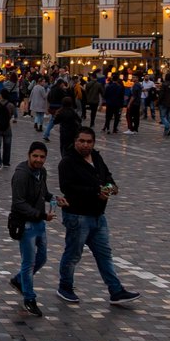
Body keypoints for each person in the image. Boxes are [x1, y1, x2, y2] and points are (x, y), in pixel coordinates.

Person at [56, 127, 141, 305]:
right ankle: (65, 287)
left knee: (104, 254)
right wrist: (97, 191)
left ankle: (116, 291)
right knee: (73, 254)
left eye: (89, 141)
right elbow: (68, 188)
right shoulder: (68, 162)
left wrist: (111, 188)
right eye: (82, 141)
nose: (85, 145)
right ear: (75, 141)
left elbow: (107, 177)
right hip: (78, 216)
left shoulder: (96, 157)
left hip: (98, 216)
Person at [9, 141, 67, 317]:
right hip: (26, 224)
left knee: (42, 258)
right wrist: (41, 215)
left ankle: (19, 280)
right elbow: (18, 203)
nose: (38, 160)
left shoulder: (41, 172)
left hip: (39, 223)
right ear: (29, 155)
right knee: (28, 262)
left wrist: (54, 198)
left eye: (42, 157)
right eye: (35, 156)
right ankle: (29, 298)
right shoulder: (21, 175)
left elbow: (43, 193)